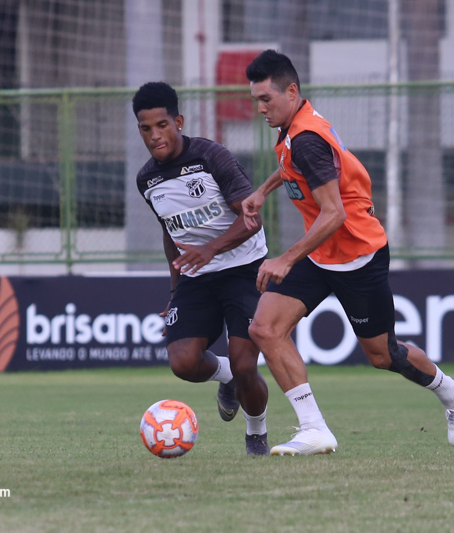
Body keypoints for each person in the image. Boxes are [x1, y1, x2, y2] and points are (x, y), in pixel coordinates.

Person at [242, 50, 454, 456]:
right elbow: (292, 166)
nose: (260, 108)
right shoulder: (296, 129)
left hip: (357, 257)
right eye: (256, 100)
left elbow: (334, 214)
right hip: (322, 256)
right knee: (265, 328)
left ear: (291, 91)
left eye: (266, 99)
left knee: (384, 355)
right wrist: (263, 190)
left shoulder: (308, 138)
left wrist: (285, 258)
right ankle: (314, 429)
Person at [132, 81, 270, 454]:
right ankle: (224, 377)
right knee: (184, 363)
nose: (155, 136)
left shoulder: (211, 157)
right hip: (196, 276)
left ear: (177, 121)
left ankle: (256, 430)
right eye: (146, 129)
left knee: (247, 367)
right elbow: (169, 231)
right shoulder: (147, 179)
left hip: (244, 269)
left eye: (162, 125)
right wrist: (175, 288)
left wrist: (211, 249)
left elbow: (252, 219)